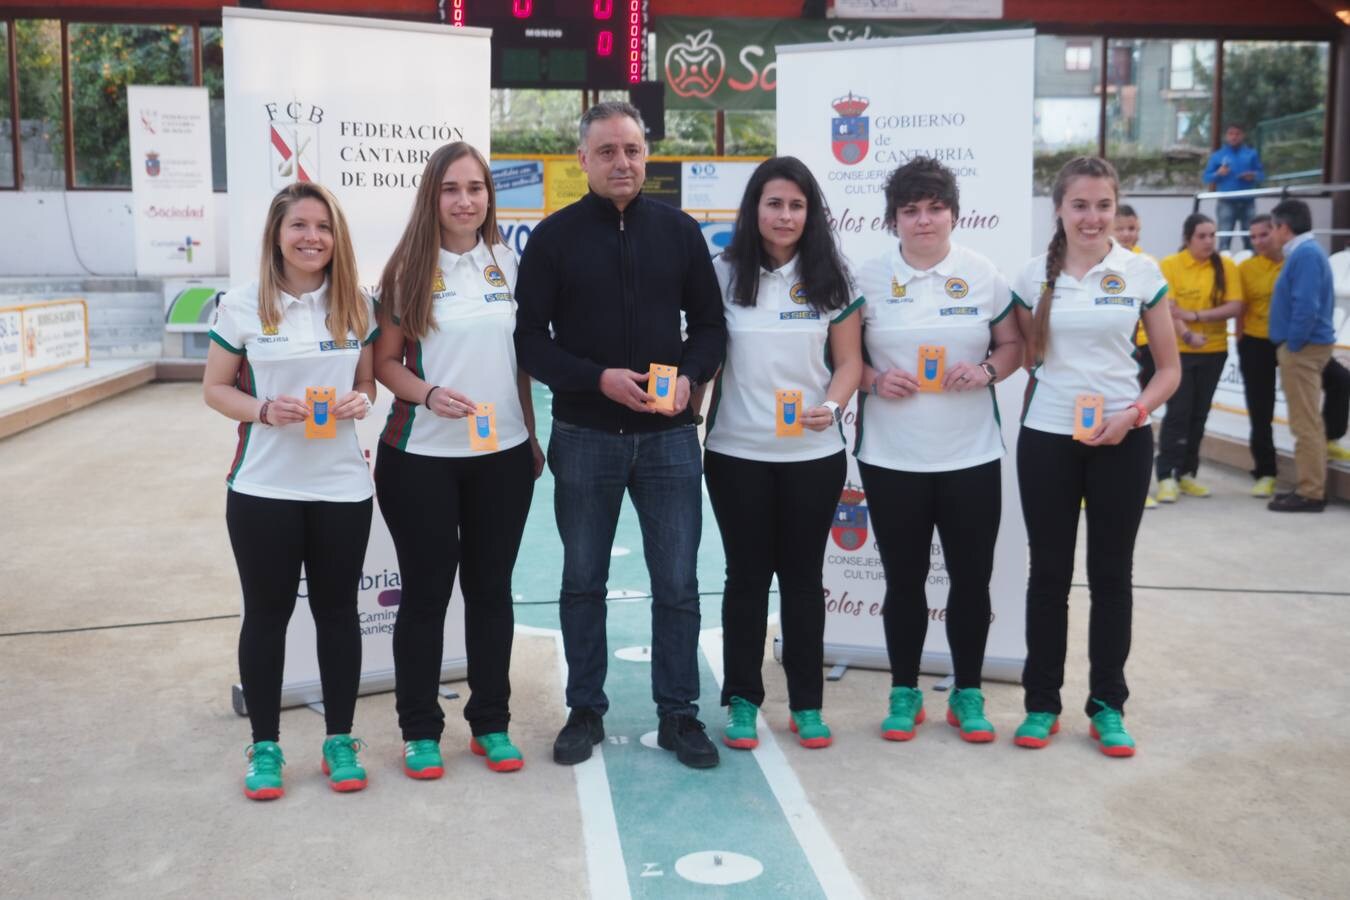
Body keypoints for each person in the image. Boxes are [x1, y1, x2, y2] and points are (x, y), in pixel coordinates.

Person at [514, 101, 727, 769]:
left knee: (678, 582)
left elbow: (713, 328)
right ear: (583, 160)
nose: (622, 162)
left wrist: (693, 376)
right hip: (585, 434)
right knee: (582, 580)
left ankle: (679, 714)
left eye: (632, 150)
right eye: (606, 151)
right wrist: (595, 379)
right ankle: (585, 709)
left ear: (646, 156)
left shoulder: (680, 232)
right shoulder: (553, 238)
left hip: (668, 439)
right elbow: (529, 343)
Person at [372, 142, 543, 779]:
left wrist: (526, 431)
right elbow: (384, 363)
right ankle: (420, 730)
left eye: (476, 188)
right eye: (451, 189)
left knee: (491, 593)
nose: (465, 200)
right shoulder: (405, 271)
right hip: (420, 459)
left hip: (500, 457)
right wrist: (429, 394)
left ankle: (491, 724)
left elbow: (520, 361)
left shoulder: (508, 262)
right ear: (432, 197)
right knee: (425, 596)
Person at [203, 182, 378, 800]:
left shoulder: (356, 303)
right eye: (299, 226)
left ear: (337, 237)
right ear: (277, 233)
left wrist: (362, 399)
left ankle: (339, 739)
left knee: (337, 614)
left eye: (323, 227)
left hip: (341, 488)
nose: (312, 238)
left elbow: (366, 383)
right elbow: (215, 389)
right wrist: (262, 411)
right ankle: (267, 747)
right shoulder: (245, 304)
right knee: (268, 616)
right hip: (263, 489)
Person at [1010, 156, 1180, 757]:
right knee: (1048, 577)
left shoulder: (1140, 271)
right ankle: (1041, 704)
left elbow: (1168, 370)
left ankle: (1108, 704)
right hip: (1048, 439)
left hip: (1123, 439)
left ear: (1116, 209)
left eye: (1102, 205)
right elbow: (1025, 355)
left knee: (1111, 577)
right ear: (1058, 208)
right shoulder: (1032, 276)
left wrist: (1131, 416)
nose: (1091, 217)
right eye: (1079, 205)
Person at [852, 157, 1022, 744]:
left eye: (934, 208)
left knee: (971, 579)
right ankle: (905, 692)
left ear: (954, 212)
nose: (923, 220)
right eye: (910, 210)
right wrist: (874, 381)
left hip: (970, 455)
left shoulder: (982, 273)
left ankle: (968, 694)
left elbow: (1012, 344)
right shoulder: (867, 277)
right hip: (891, 456)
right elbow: (842, 357)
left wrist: (986, 371)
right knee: (904, 579)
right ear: (894, 218)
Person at [702, 156, 861, 751]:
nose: (786, 215)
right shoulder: (722, 273)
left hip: (812, 455)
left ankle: (807, 703)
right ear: (755, 209)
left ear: (811, 213)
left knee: (801, 578)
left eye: (797, 205)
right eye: (775, 203)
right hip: (735, 452)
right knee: (744, 577)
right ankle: (742, 700)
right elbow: (704, 355)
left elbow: (849, 363)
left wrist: (836, 405)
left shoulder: (833, 277)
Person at [1155, 213, 1243, 502]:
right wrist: (1188, 335)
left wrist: (1196, 316)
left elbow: (1235, 306)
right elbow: (1170, 308)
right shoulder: (1170, 265)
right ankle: (1166, 474)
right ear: (1187, 239)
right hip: (1180, 352)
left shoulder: (1226, 266)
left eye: (1212, 235)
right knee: (1178, 413)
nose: (1209, 241)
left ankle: (1187, 473)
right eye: (1202, 236)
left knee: (1200, 415)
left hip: (1215, 351)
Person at [1266, 198, 1337, 512]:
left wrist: (1293, 344)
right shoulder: (1307, 253)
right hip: (1305, 347)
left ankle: (1310, 492)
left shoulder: (1305, 255)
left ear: (1284, 227)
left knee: (1305, 422)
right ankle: (1310, 487)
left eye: (1273, 228)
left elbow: (1305, 305)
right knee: (1307, 420)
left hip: (1303, 349)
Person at [1236, 214, 1283, 498]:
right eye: (1252, 237)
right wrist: (1241, 340)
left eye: (1263, 234)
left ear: (1278, 232)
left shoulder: (1293, 263)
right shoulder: (1247, 268)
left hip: (1290, 342)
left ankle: (1331, 435)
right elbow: (1241, 307)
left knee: (1338, 380)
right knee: (1260, 410)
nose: (1258, 242)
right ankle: (1266, 472)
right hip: (1255, 342)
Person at [1117, 204, 1160, 508]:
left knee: (1137, 413)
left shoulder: (1146, 265)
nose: (1128, 234)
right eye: (1122, 228)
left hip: (1143, 351)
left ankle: (1138, 486)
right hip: (1116, 352)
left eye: (1133, 229)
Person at [1203, 124, 1264, 252]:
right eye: (1231, 134)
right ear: (1226, 136)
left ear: (1242, 136)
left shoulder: (1251, 154)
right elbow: (1206, 177)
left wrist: (1252, 176)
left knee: (1251, 239)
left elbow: (1262, 175)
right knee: (1224, 239)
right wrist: (1218, 173)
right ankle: (1223, 268)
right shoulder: (1218, 156)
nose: (1234, 137)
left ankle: (1251, 265)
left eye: (1237, 134)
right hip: (1226, 202)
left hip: (1247, 201)